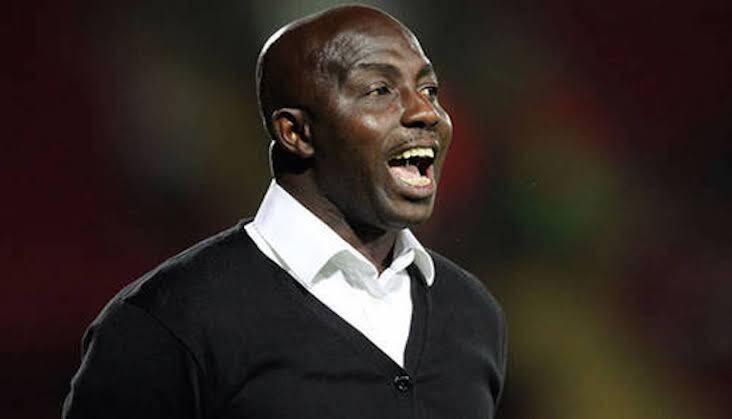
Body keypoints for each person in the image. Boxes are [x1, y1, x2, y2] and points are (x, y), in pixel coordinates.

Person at [63, 5, 507, 419]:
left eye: (428, 90)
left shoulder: (471, 313)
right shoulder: (167, 323)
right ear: (296, 131)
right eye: (380, 90)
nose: (426, 112)